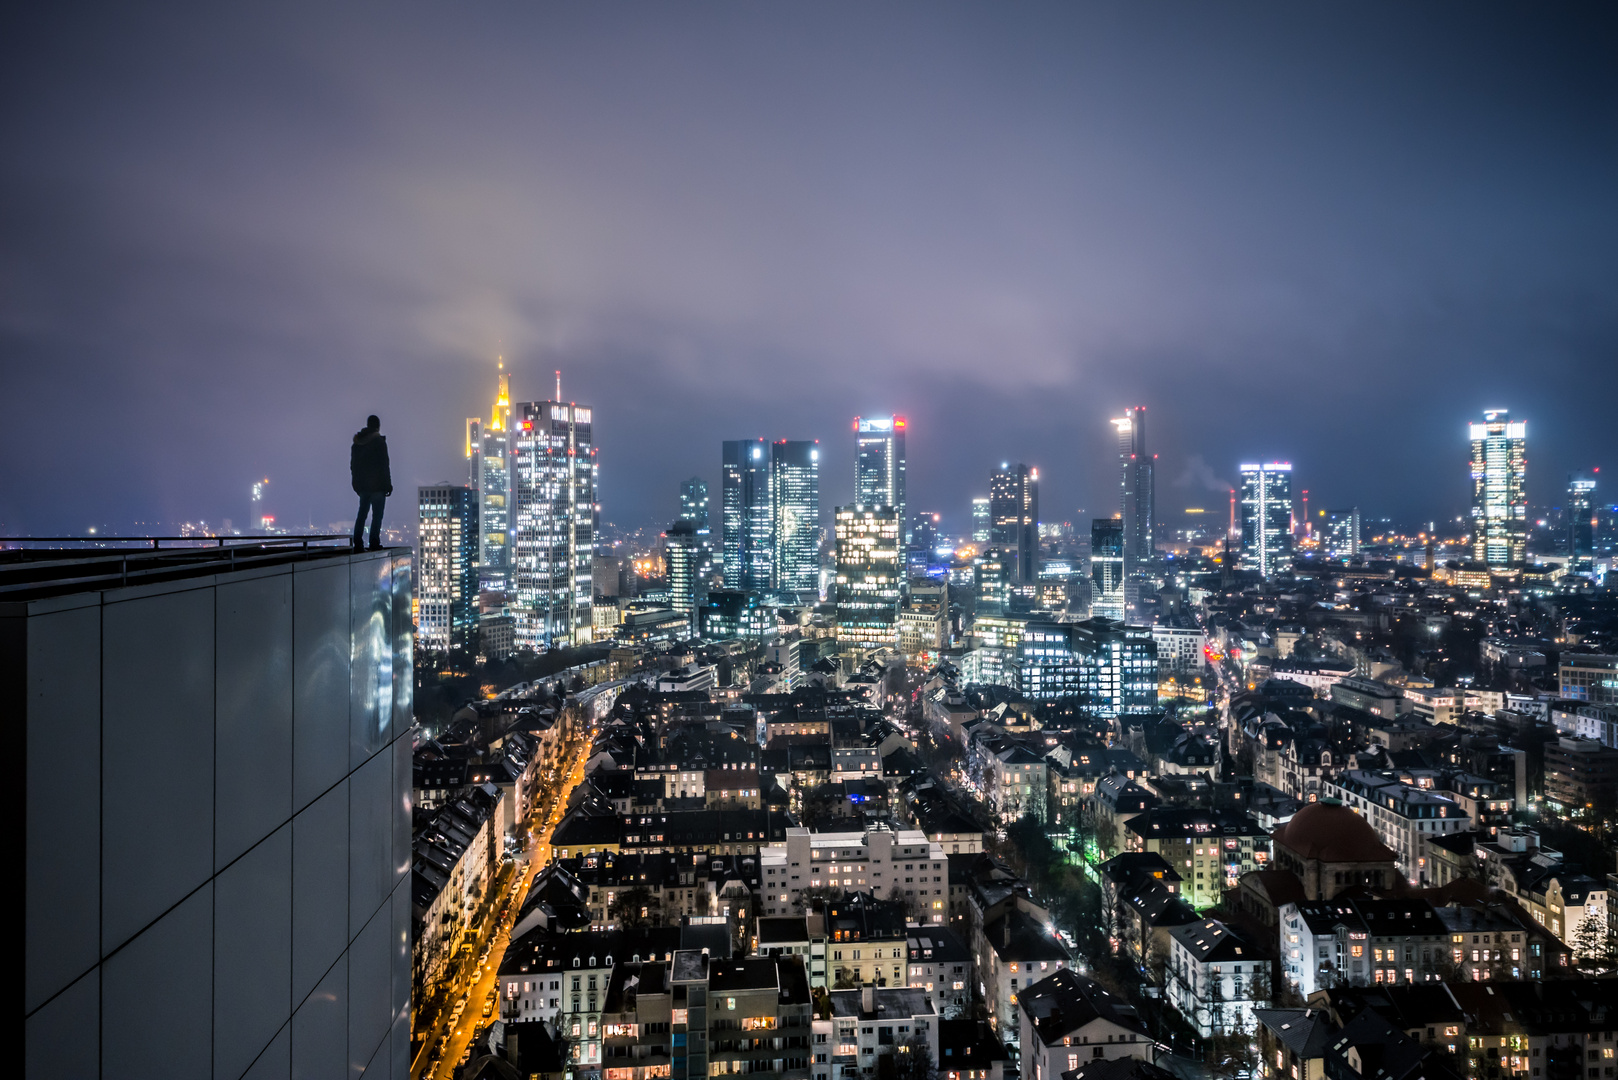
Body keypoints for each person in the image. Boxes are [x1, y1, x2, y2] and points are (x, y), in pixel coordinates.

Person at [350, 414, 393, 549]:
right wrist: (387, 485)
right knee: (377, 515)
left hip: (363, 487)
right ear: (378, 426)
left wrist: (356, 485)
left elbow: (353, 466)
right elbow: (384, 465)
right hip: (378, 486)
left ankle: (357, 542)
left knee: (362, 514)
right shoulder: (379, 442)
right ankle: (374, 542)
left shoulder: (357, 444)